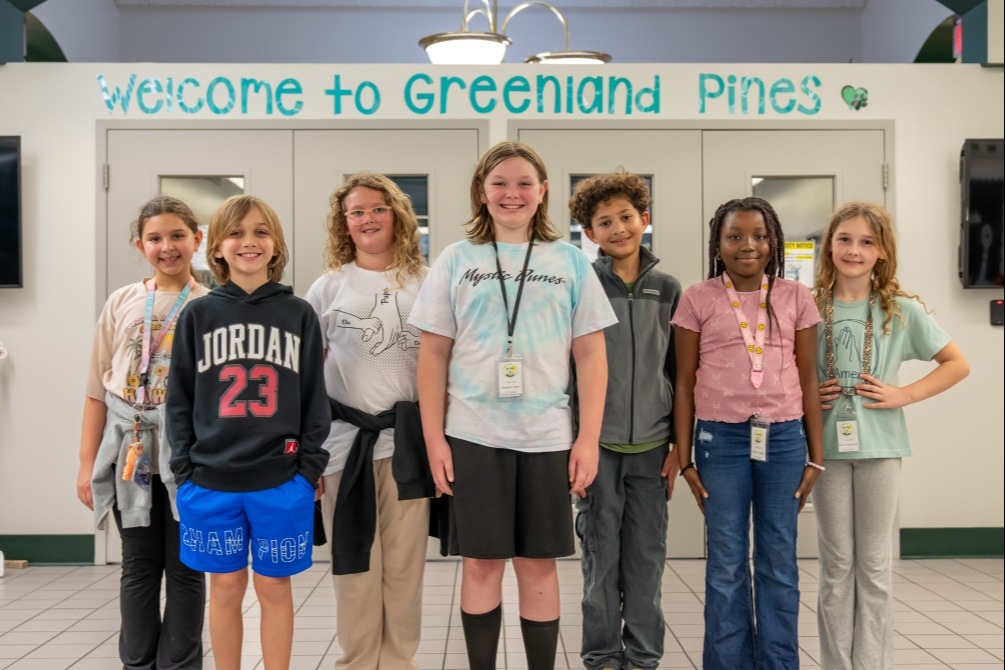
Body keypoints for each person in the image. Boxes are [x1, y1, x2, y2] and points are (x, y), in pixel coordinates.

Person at [410, 141, 617, 670]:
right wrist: (435, 439)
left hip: (547, 437)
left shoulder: (569, 261)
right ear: (482, 191)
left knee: (537, 564)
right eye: (499, 182)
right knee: (480, 565)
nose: (512, 193)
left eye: (525, 182)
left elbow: (592, 356)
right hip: (473, 435)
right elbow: (433, 354)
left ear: (543, 192)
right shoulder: (457, 259)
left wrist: (587, 440)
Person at [166, 195, 330, 670]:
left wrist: (307, 469)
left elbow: (315, 398)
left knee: (275, 587)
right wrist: (185, 470)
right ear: (215, 247)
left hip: (281, 479)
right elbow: (179, 400)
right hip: (210, 479)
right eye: (236, 233)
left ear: (276, 244)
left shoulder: (299, 313)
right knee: (225, 586)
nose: (248, 242)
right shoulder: (198, 314)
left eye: (260, 231)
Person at [813, 202, 969, 670]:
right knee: (836, 568)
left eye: (866, 242)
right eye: (844, 239)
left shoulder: (899, 309)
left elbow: (957, 363)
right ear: (830, 245)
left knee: (874, 568)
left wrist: (905, 394)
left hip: (880, 449)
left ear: (882, 251)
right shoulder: (807, 305)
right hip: (826, 450)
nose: (854, 250)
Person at [672, 196, 824, 670]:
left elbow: (809, 377)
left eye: (759, 235)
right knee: (726, 563)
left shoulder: (796, 297)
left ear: (774, 240)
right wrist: (685, 460)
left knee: (779, 561)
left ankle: (779, 664)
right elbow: (682, 381)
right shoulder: (698, 298)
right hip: (720, 442)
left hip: (782, 440)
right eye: (735, 236)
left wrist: (816, 458)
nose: (748, 245)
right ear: (718, 244)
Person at [305, 173, 430, 670]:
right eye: (356, 212)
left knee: (403, 569)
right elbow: (307, 378)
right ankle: (357, 662)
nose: (367, 219)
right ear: (344, 223)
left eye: (377, 209)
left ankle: (398, 662)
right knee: (355, 568)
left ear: (397, 215)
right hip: (343, 448)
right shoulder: (329, 287)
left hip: (408, 448)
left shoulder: (426, 281)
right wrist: (307, 455)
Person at [78, 195, 207, 669]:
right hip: (130, 453)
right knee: (138, 567)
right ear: (140, 245)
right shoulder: (122, 302)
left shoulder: (209, 304)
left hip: (186, 456)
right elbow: (96, 389)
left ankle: (179, 663)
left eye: (177, 236)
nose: (167, 246)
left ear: (197, 240)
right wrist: (85, 463)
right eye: (155, 238)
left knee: (188, 568)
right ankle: (137, 663)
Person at [567, 169, 682, 670]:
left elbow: (680, 372)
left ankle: (643, 657)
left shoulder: (668, 289)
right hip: (598, 449)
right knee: (599, 562)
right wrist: (575, 442)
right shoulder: (582, 284)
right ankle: (600, 656)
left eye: (627, 217)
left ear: (645, 219)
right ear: (589, 233)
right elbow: (569, 370)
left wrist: (680, 446)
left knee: (646, 560)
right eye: (604, 221)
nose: (618, 228)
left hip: (654, 451)